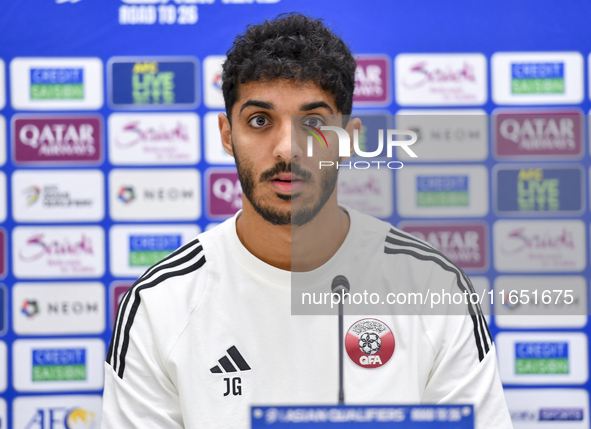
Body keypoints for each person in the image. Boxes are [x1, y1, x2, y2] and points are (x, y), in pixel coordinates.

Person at [101, 13, 512, 428]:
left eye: (313, 122)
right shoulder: (161, 303)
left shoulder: (432, 288)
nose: (287, 149)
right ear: (227, 135)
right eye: (260, 121)